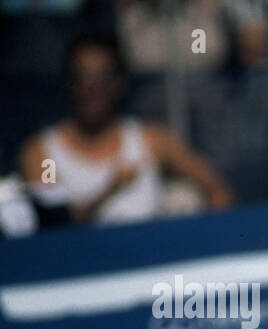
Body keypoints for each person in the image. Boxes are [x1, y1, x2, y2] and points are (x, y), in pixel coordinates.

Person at [18, 32, 234, 225]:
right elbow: (51, 229)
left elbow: (217, 190)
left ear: (119, 83)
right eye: (81, 77)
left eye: (103, 77)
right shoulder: (42, 154)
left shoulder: (151, 140)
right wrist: (109, 191)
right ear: (68, 83)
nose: (92, 89)